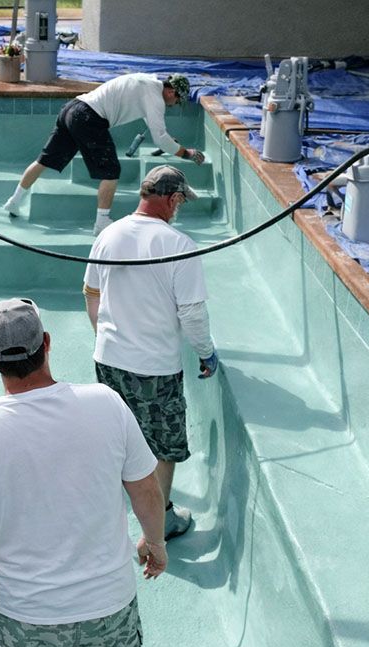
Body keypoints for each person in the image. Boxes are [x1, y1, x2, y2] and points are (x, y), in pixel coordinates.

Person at [0, 297, 167, 647]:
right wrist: (155, 542)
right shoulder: (107, 403)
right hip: (108, 607)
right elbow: (145, 488)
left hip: (24, 617)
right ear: (46, 342)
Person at [83, 165, 219, 541]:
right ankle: (159, 523)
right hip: (154, 368)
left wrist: (106, 335)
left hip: (108, 359)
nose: (179, 209)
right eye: (180, 202)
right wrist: (206, 353)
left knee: (123, 438)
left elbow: (91, 292)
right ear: (173, 199)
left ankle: (117, 512)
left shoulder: (108, 234)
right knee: (164, 445)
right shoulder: (178, 244)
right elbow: (192, 313)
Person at [2, 73, 205, 236]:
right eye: (178, 100)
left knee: (44, 160)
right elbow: (160, 138)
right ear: (171, 91)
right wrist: (187, 153)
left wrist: (167, 139)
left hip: (72, 109)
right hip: (89, 117)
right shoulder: (155, 98)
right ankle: (101, 223)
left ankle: (14, 201)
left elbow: (154, 126)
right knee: (111, 171)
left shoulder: (148, 81)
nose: (176, 104)